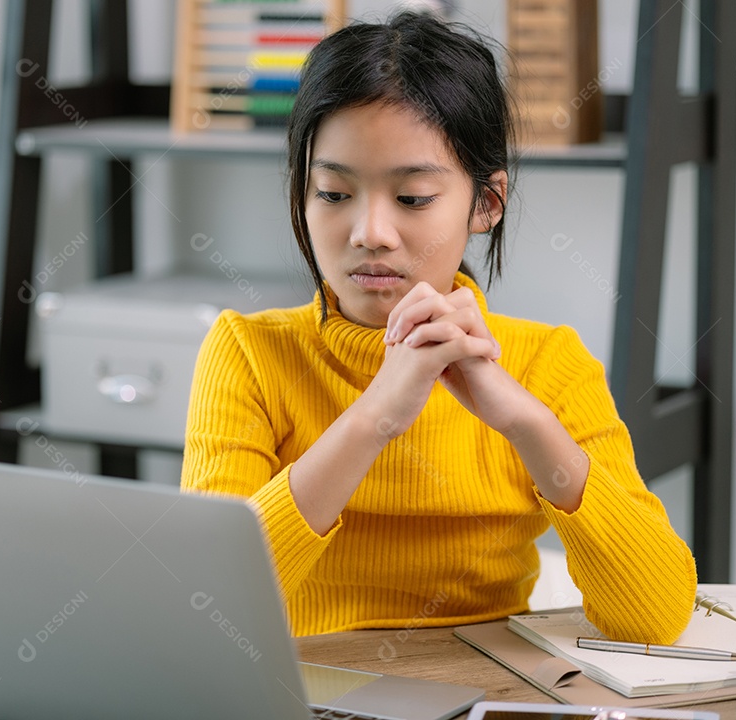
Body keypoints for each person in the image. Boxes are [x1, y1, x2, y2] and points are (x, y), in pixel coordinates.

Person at [181, 11, 696, 644]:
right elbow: (205, 608)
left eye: (413, 197)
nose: (370, 232)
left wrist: (526, 422)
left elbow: (655, 617)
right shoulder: (248, 353)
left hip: (490, 694)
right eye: (333, 194)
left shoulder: (548, 364)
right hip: (303, 693)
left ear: (487, 203)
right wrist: (375, 419)